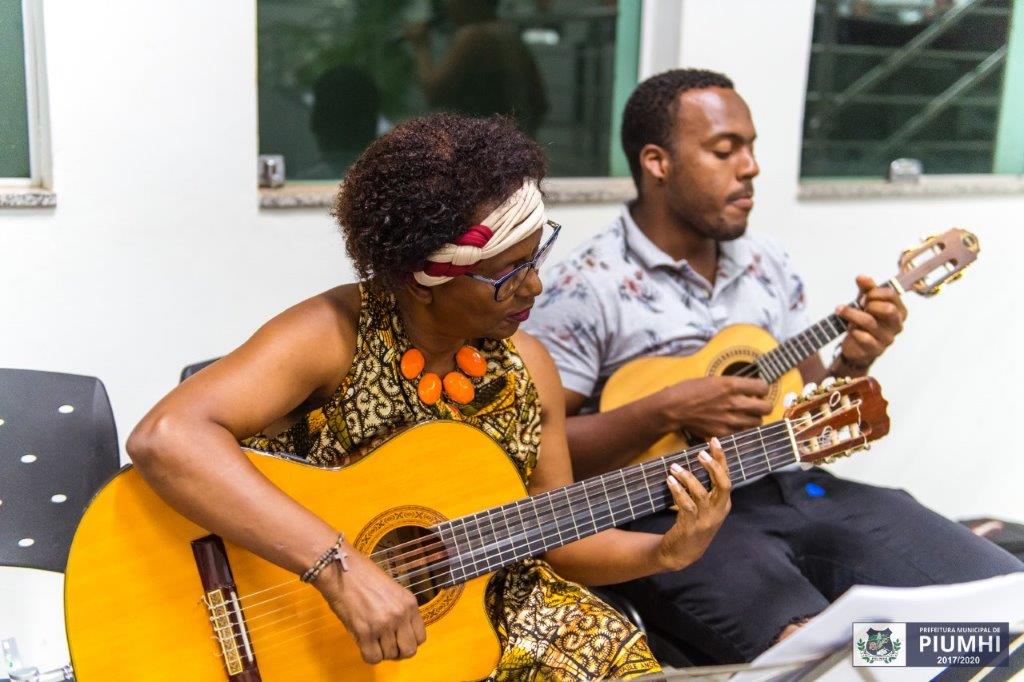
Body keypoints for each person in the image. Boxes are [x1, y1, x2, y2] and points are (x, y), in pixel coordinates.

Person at [126, 113, 733, 679]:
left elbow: (556, 537)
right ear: (420, 281)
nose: (535, 285)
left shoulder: (528, 367)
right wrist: (339, 569)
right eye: (507, 272)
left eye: (536, 256)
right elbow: (166, 436)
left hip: (494, 613)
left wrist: (666, 551)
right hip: (310, 624)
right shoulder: (332, 335)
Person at [524, 69, 1023, 664]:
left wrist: (854, 360)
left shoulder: (768, 261)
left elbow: (808, 411)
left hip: (795, 488)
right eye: (725, 150)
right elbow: (541, 457)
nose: (752, 167)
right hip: (672, 515)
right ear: (658, 163)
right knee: (819, 653)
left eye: (752, 147)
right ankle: (883, 665)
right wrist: (667, 409)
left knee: (1003, 600)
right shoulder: (585, 284)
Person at [406, 0, 548, 136]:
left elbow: (434, 92)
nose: (448, 6)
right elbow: (540, 103)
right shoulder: (510, 36)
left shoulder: (474, 36)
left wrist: (421, 46)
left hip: (483, 145)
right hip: (511, 144)